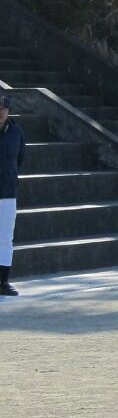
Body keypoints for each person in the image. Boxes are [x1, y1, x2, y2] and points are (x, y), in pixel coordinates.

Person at [0, 95, 26, 297]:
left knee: (6, 238)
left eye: (4, 108)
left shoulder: (16, 132)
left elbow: (20, 158)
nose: (1, 111)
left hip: (8, 192)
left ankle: (3, 281)